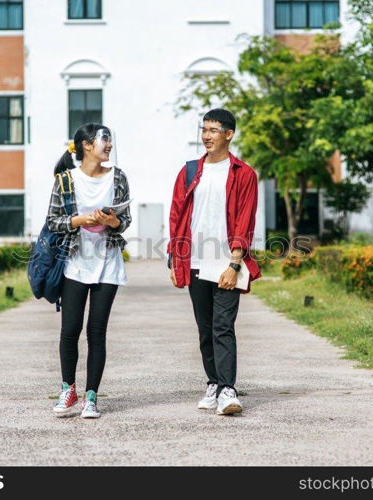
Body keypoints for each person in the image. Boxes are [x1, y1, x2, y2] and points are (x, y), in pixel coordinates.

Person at [167, 108, 261, 415]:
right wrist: (174, 257)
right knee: (205, 328)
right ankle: (213, 383)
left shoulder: (243, 174)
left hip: (226, 262)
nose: (206, 136)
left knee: (223, 326)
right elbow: (177, 216)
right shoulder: (191, 171)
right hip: (194, 260)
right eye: (204, 130)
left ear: (229, 134)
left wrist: (235, 264)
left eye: (213, 130)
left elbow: (246, 219)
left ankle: (228, 390)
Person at [46, 123, 131, 418]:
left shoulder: (118, 177)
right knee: (70, 330)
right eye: (104, 140)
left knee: (97, 331)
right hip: (74, 263)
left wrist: (112, 222)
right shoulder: (66, 180)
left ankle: (91, 396)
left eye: (109, 139)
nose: (109, 145)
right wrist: (82, 219)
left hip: (108, 263)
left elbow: (126, 220)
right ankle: (67, 390)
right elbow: (53, 221)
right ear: (86, 145)